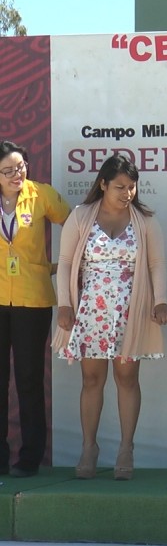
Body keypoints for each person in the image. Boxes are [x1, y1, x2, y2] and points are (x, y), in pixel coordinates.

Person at [52, 153, 167, 481]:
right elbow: (64, 263)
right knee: (91, 379)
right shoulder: (81, 216)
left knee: (127, 378)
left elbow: (157, 264)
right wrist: (65, 305)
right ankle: (89, 448)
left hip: (130, 310)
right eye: (120, 186)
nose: (127, 193)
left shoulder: (145, 220)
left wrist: (160, 301)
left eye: (132, 187)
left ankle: (126, 448)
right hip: (90, 308)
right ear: (103, 184)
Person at [0, 141, 71, 478]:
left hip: (33, 300)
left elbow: (74, 227)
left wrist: (58, 266)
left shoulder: (42, 195)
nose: (17, 174)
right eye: (8, 170)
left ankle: (29, 458)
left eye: (21, 165)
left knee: (28, 380)